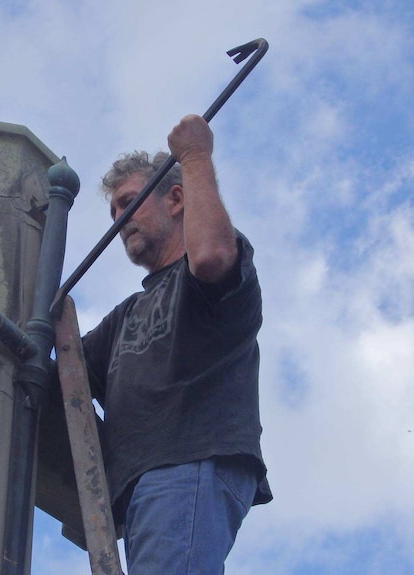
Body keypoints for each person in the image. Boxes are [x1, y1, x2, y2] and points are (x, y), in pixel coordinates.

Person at [81, 114, 272, 575]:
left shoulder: (211, 271)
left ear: (176, 199)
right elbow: (57, 376)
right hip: (138, 486)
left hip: (190, 462)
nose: (120, 220)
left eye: (129, 203)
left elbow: (209, 257)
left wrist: (194, 156)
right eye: (113, 212)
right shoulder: (126, 315)